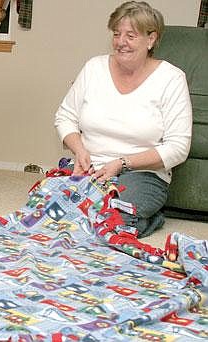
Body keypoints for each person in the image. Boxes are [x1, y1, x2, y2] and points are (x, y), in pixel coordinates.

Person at [54, 1, 192, 238]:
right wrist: (79, 150)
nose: (121, 42)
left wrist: (122, 163)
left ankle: (151, 219)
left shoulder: (171, 79)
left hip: (141, 173)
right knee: (50, 210)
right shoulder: (93, 68)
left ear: (151, 40)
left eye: (131, 35)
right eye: (117, 34)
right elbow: (65, 116)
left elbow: (178, 148)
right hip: (92, 167)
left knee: (113, 218)